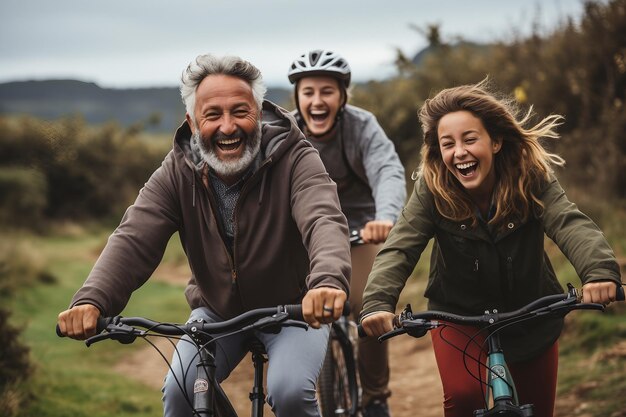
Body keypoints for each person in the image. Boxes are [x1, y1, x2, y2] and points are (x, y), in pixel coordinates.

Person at [57, 53, 352, 417]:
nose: (228, 127)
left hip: (293, 309)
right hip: (216, 311)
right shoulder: (177, 171)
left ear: (259, 112)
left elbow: (323, 217)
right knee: (181, 392)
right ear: (193, 123)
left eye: (240, 112)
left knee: (289, 390)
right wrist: (92, 300)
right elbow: (134, 237)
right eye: (212, 115)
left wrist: (326, 282)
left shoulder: (295, 157)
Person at [359, 80, 622, 417]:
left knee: (538, 409)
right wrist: (377, 303)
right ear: (438, 152)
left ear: (495, 141)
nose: (460, 152)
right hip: (456, 314)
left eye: (470, 139)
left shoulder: (531, 176)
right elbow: (400, 247)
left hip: (531, 309)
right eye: (448, 144)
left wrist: (599, 272)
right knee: (463, 396)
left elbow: (569, 223)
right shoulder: (432, 189)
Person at [287, 49, 406, 417]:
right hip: (305, 235)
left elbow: (387, 171)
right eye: (309, 92)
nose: (317, 100)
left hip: (360, 232)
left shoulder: (362, 126)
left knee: (369, 307)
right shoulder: (284, 132)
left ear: (342, 97)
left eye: (327, 91)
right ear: (298, 98)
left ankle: (374, 397)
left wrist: (385, 217)